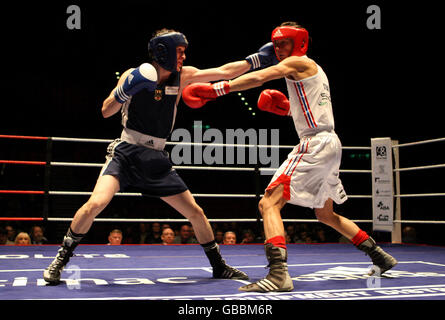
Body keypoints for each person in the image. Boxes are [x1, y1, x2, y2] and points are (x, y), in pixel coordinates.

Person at [43, 27, 276, 284]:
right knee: (95, 204)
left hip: (156, 158)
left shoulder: (182, 76)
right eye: (179, 51)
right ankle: (60, 260)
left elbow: (223, 72)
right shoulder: (133, 75)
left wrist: (257, 60)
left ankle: (218, 266)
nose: (183, 57)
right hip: (127, 153)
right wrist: (125, 91)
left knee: (196, 213)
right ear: (163, 51)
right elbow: (106, 111)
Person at [183, 21, 398, 292]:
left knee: (269, 202)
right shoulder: (310, 70)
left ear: (299, 43)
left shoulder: (299, 63)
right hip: (330, 143)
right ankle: (380, 256)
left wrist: (218, 89)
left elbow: (261, 76)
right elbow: (311, 108)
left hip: (315, 144)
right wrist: (285, 109)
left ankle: (278, 274)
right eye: (275, 43)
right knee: (326, 214)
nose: (278, 48)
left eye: (283, 42)